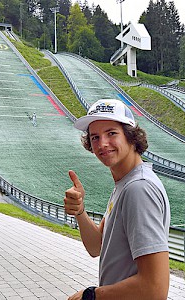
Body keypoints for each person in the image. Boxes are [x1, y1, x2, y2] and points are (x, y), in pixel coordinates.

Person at [64, 99, 171, 300]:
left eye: (111, 133)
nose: (102, 144)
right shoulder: (125, 184)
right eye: (95, 137)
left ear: (131, 136)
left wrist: (91, 296)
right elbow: (97, 246)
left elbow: (155, 289)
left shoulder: (139, 188)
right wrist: (79, 211)